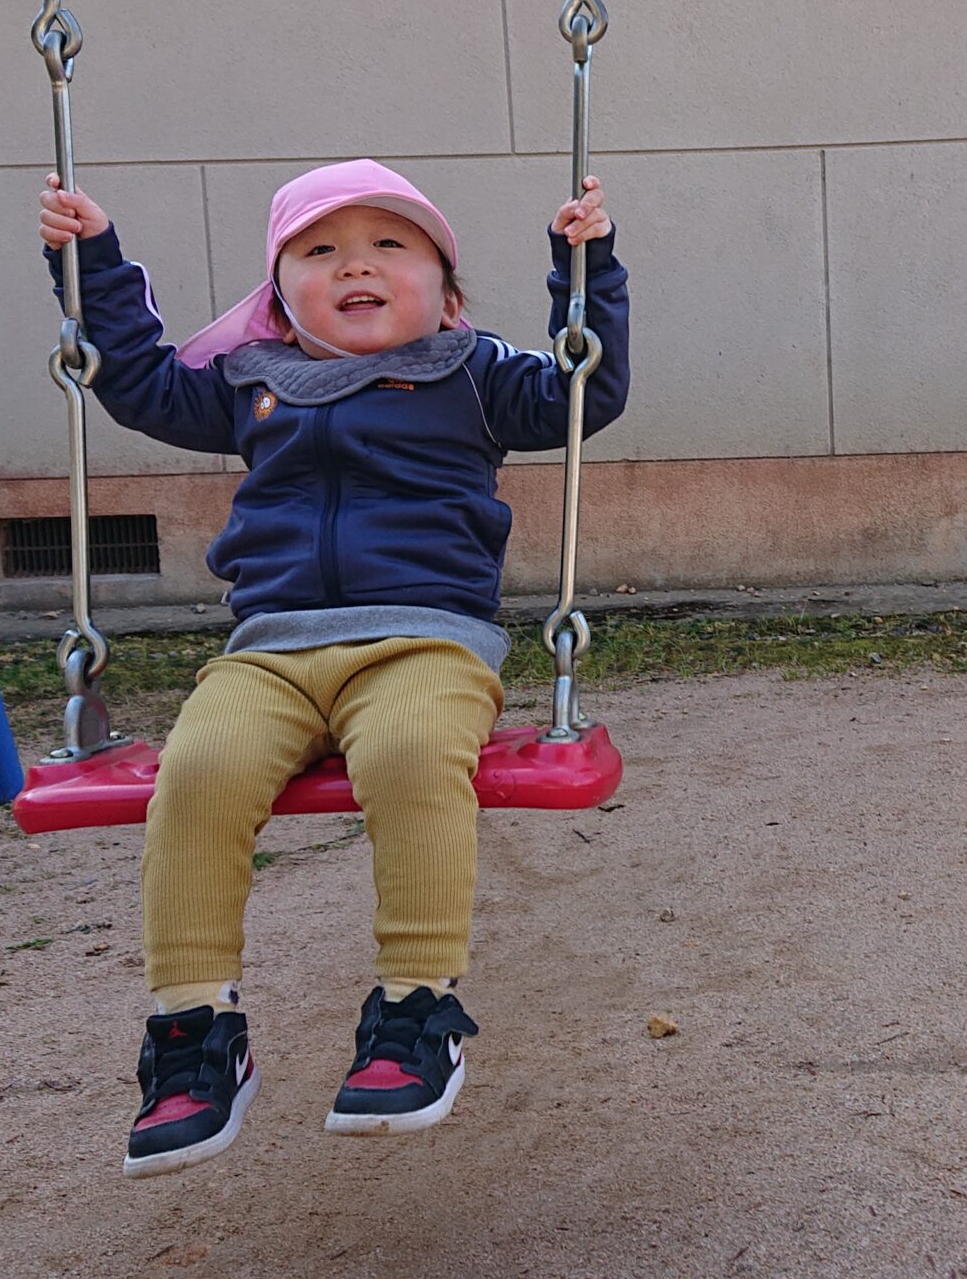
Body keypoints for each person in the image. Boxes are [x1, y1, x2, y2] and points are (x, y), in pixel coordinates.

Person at [37, 158, 628, 1173]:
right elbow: (133, 381)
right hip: (270, 653)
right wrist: (90, 262)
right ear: (280, 300)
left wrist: (585, 274)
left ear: (445, 296)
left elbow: (587, 388)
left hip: (426, 642)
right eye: (319, 252)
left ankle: (414, 1008)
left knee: (407, 755)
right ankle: (193, 1031)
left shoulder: (475, 375)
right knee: (200, 770)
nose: (354, 265)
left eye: (388, 246)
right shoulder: (253, 385)